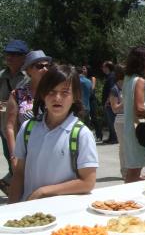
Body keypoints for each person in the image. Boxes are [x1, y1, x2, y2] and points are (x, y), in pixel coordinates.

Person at [8, 64, 98, 203]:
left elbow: (88, 182)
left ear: (75, 97)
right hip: (29, 211)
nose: (57, 98)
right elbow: (19, 173)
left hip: (62, 213)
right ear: (43, 95)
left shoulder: (81, 134)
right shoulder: (28, 128)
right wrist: (12, 207)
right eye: (51, 91)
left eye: (65, 92)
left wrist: (43, 191)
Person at [4, 50, 51, 194]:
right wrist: (13, 157)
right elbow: (10, 126)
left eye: (47, 65)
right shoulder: (17, 95)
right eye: (39, 66)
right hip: (26, 153)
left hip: (51, 150)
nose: (45, 69)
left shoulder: (54, 92)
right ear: (29, 70)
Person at [0, 39, 30, 191]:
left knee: (26, 160)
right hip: (6, 127)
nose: (9, 58)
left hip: (26, 127)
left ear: (24, 57)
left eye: (14, 54)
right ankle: (14, 186)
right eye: (7, 54)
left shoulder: (30, 76)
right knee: (10, 156)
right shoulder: (2, 76)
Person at [122, 46, 145, 183]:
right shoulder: (139, 81)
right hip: (138, 130)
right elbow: (140, 108)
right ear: (144, 62)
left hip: (130, 128)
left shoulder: (128, 78)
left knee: (133, 169)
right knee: (135, 170)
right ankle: (126, 201)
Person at [109, 64, 126, 178]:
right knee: (123, 147)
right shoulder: (114, 89)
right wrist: (125, 101)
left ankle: (130, 170)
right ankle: (124, 171)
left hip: (129, 118)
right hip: (120, 120)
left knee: (130, 146)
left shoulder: (129, 86)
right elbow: (114, 109)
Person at [101, 61, 118, 144]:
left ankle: (114, 138)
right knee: (109, 121)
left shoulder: (111, 76)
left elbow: (112, 89)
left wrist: (108, 100)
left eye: (103, 67)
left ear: (107, 67)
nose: (102, 69)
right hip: (109, 102)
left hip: (109, 103)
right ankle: (111, 137)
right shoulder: (110, 76)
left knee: (111, 120)